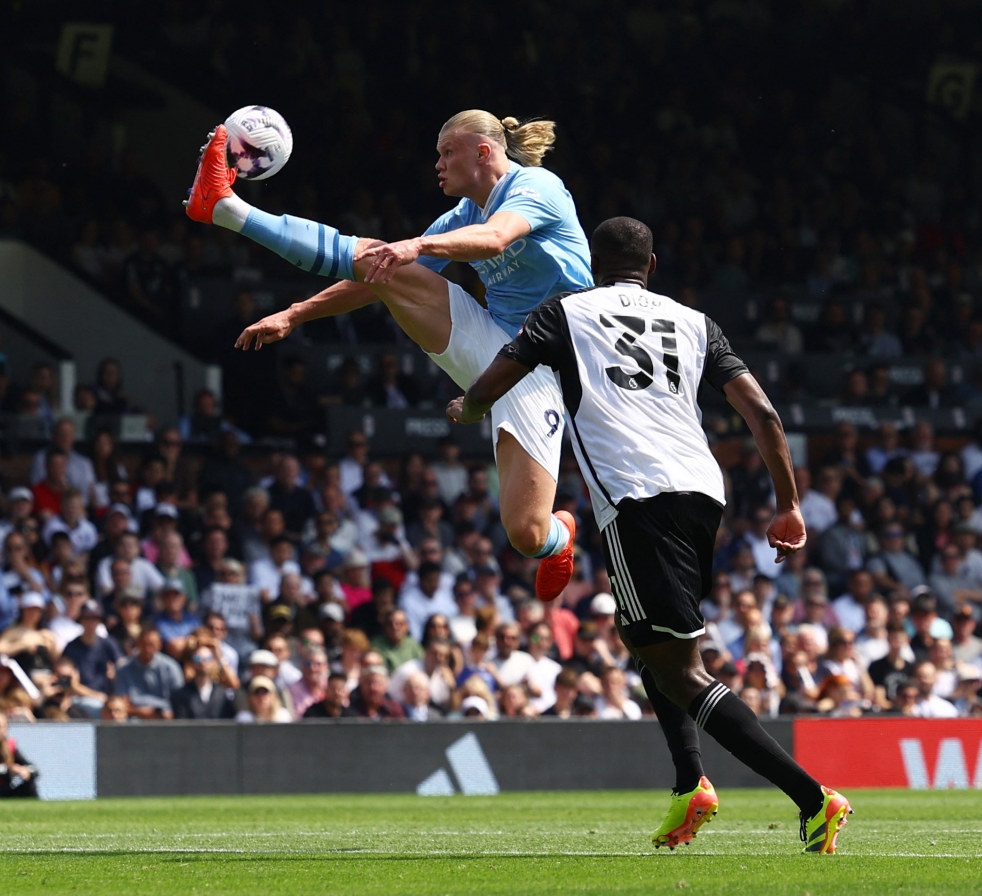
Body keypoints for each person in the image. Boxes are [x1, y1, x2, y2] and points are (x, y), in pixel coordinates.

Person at [448, 217, 851, 854]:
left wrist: (469, 406)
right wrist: (787, 505)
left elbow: (501, 374)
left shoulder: (566, 312)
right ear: (653, 265)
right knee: (646, 640)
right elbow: (764, 413)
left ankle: (813, 798)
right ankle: (690, 783)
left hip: (637, 498)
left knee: (680, 669)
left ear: (592, 263)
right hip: (701, 492)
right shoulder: (696, 322)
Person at [212, 112, 590, 601]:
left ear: (482, 151)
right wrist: (294, 314)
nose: (437, 164)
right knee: (386, 265)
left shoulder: (537, 185)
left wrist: (414, 245)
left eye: (446, 152)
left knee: (527, 533)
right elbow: (381, 270)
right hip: (501, 350)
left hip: (555, 363)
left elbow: (496, 239)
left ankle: (562, 539)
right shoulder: (460, 218)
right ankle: (229, 210)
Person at [113, 627, 184, 719]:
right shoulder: (123, 668)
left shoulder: (171, 667)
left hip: (165, 716)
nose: (147, 649)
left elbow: (179, 700)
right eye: (143, 644)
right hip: (133, 717)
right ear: (137, 644)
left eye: (151, 645)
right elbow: (122, 702)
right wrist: (141, 712)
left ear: (159, 645)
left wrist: (167, 713)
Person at [172, 644, 235, 719]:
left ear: (213, 661)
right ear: (191, 662)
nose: (203, 662)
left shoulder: (222, 693)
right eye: (197, 659)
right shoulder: (182, 694)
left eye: (207, 658)